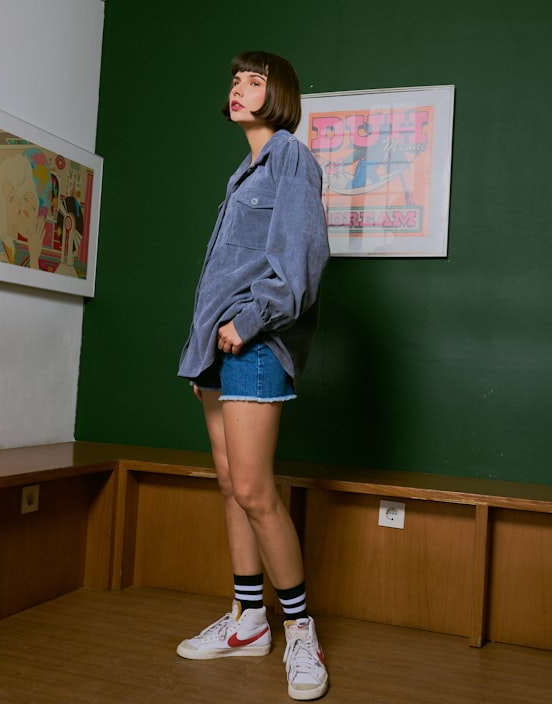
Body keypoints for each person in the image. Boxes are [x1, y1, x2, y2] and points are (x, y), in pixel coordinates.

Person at [176, 50, 330, 701]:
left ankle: (300, 632)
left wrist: (249, 322)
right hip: (220, 348)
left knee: (256, 489)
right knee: (230, 488)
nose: (240, 89)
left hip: (256, 344)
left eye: (255, 81)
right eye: (236, 80)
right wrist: (201, 353)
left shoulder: (290, 157)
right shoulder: (247, 170)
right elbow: (225, 271)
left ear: (281, 94)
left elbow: (301, 259)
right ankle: (248, 622)